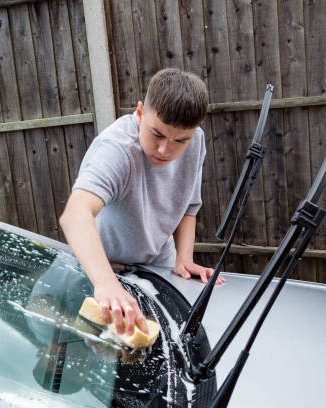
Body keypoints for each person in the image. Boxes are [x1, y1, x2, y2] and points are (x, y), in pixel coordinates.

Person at [59, 68, 225, 338]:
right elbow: (75, 214)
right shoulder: (117, 149)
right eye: (156, 134)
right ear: (139, 112)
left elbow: (189, 206)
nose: (165, 150)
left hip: (158, 265)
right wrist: (106, 284)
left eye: (180, 140)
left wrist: (184, 257)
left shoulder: (196, 142)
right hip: (102, 270)